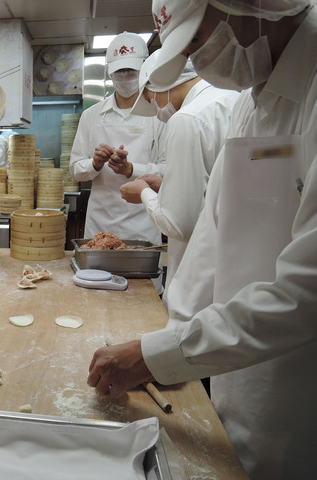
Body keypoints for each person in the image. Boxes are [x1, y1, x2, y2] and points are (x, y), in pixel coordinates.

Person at [87, 1, 317, 478]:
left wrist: (163, 354)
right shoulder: (252, 101)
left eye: (194, 38)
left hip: (298, 388)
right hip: (235, 370)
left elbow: (308, 290)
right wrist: (167, 346)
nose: (197, 57)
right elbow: (216, 228)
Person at [119, 53, 238, 304]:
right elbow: (217, 188)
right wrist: (166, 187)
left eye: (151, 99)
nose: (157, 110)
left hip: (200, 271)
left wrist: (143, 192)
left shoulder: (187, 119)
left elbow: (179, 224)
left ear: (163, 84)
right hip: (234, 260)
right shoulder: (231, 100)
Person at [69, 32, 166, 247]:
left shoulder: (159, 115)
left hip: (143, 224)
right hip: (99, 224)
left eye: (131, 71)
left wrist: (131, 169)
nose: (125, 76)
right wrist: (95, 164)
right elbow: (75, 169)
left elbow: (169, 171)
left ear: (144, 69)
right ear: (109, 72)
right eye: (119, 71)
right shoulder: (91, 116)